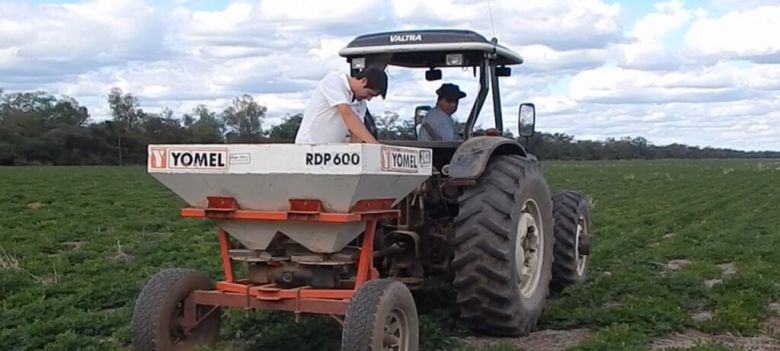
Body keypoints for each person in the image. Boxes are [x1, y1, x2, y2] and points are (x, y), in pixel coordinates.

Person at [295, 67, 387, 144]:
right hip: (308, 147)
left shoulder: (361, 102)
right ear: (363, 81)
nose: (369, 99)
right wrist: (375, 145)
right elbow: (346, 113)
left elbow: (357, 134)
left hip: (333, 153)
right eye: (369, 93)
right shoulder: (335, 80)